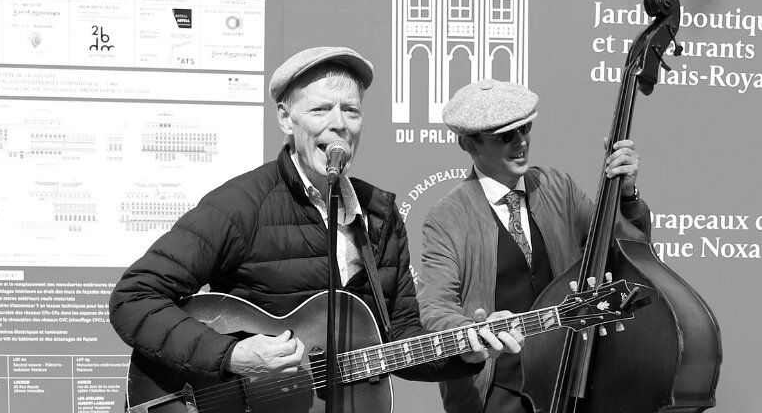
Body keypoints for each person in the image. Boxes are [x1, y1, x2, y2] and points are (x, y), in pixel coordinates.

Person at [110, 47, 518, 409]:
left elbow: (399, 337)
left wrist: (465, 351)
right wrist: (233, 356)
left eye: (351, 111)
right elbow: (134, 298)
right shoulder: (241, 205)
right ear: (286, 119)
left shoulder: (381, 215)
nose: (339, 124)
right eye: (320, 109)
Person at [415, 80, 650, 413]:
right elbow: (435, 308)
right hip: (496, 394)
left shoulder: (558, 186)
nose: (521, 141)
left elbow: (625, 253)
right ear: (469, 144)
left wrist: (626, 196)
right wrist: (473, 334)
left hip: (571, 382)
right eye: (505, 136)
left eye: (525, 128)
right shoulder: (447, 217)